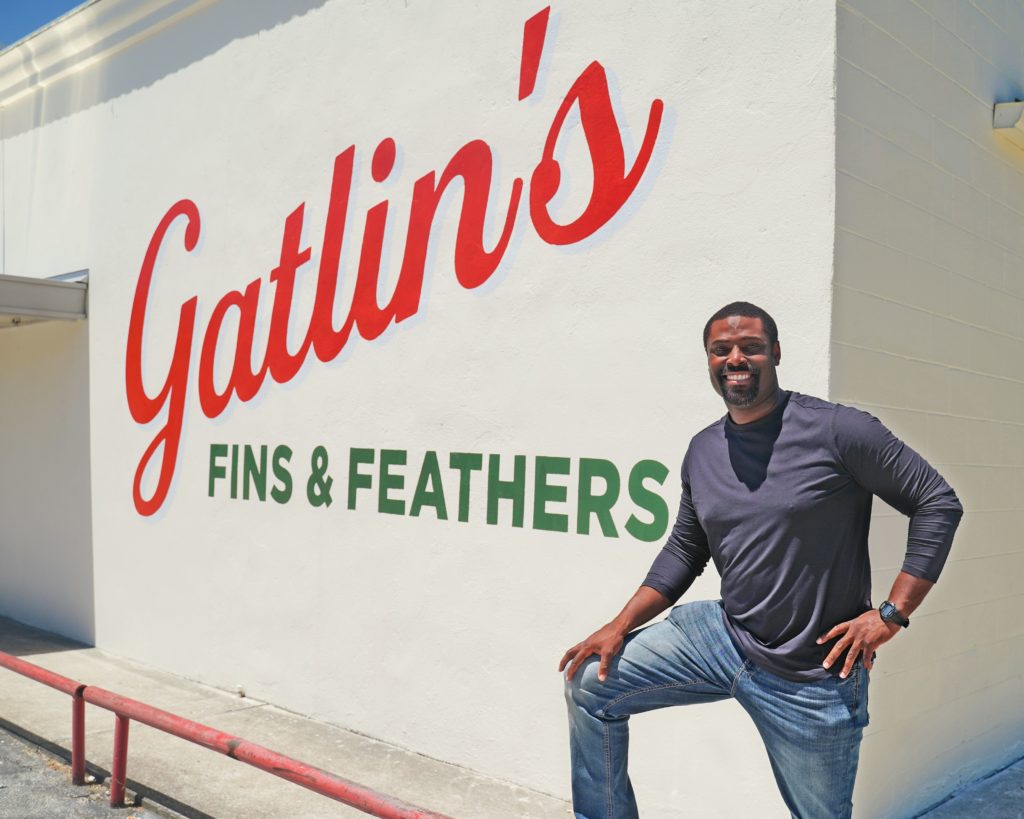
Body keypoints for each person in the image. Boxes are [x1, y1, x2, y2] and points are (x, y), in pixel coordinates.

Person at [559, 301, 963, 819]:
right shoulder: (703, 449)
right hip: (722, 638)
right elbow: (686, 547)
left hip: (813, 672)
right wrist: (620, 624)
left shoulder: (839, 431)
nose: (735, 358)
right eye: (721, 350)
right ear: (708, 361)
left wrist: (890, 615)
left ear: (774, 352)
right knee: (590, 685)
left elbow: (936, 502)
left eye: (750, 346)